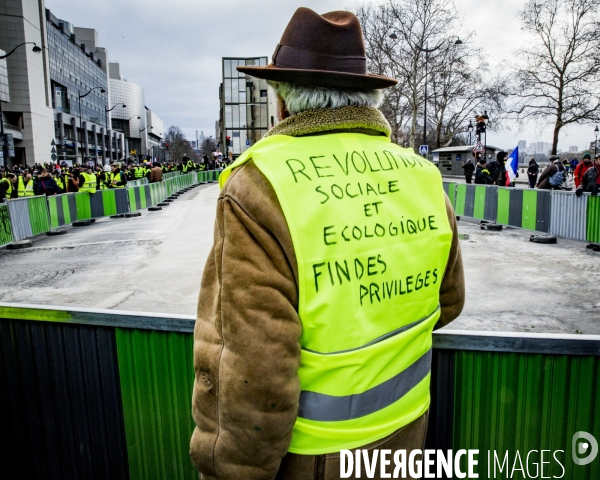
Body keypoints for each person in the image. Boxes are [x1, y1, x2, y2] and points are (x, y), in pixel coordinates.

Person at [190, 8, 465, 479]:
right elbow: (449, 302)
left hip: (317, 458)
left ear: (282, 101)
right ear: (366, 96)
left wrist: (231, 470)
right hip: (408, 436)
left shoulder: (259, 186)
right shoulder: (422, 176)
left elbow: (255, 365)